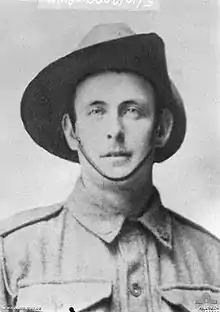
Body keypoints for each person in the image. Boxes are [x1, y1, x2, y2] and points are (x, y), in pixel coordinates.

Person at [0, 22, 220, 312]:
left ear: (162, 128)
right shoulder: (13, 253)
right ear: (70, 131)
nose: (114, 130)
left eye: (132, 111)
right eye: (96, 111)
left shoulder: (211, 260)